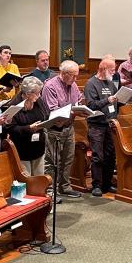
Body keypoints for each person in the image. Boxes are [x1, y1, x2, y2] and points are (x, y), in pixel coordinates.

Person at [41, 60, 84, 199]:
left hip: (69, 127)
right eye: (73, 76)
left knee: (68, 159)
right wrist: (72, 111)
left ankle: (65, 186)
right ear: (64, 74)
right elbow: (53, 111)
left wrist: (81, 107)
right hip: (54, 129)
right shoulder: (50, 86)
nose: (76, 79)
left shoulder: (73, 84)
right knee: (52, 161)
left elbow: (78, 99)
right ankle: (50, 191)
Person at [83, 57, 121, 196]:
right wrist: (107, 100)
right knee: (98, 156)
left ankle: (107, 183)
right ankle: (97, 185)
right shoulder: (91, 83)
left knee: (111, 155)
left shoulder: (110, 83)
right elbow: (91, 105)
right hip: (96, 125)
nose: (114, 72)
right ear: (103, 69)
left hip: (110, 123)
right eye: (112, 70)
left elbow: (115, 102)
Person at [6, 76, 49, 176]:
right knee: (27, 181)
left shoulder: (38, 101)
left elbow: (46, 114)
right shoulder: (14, 105)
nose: (39, 95)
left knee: (39, 180)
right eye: (37, 93)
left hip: (38, 148)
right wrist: (29, 128)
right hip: (22, 150)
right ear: (27, 94)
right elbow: (10, 128)